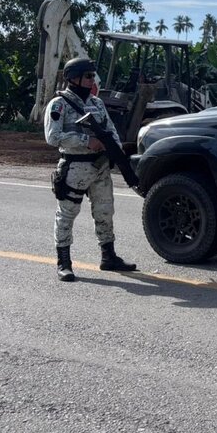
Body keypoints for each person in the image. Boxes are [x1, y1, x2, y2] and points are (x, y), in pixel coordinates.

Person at [43, 56, 138, 283]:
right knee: (66, 214)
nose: (91, 80)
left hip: (100, 166)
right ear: (73, 78)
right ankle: (64, 263)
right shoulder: (59, 104)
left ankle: (108, 256)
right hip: (75, 166)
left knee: (105, 211)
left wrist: (114, 148)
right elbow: (52, 136)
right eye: (87, 76)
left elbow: (110, 130)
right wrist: (86, 141)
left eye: (92, 76)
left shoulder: (97, 103)